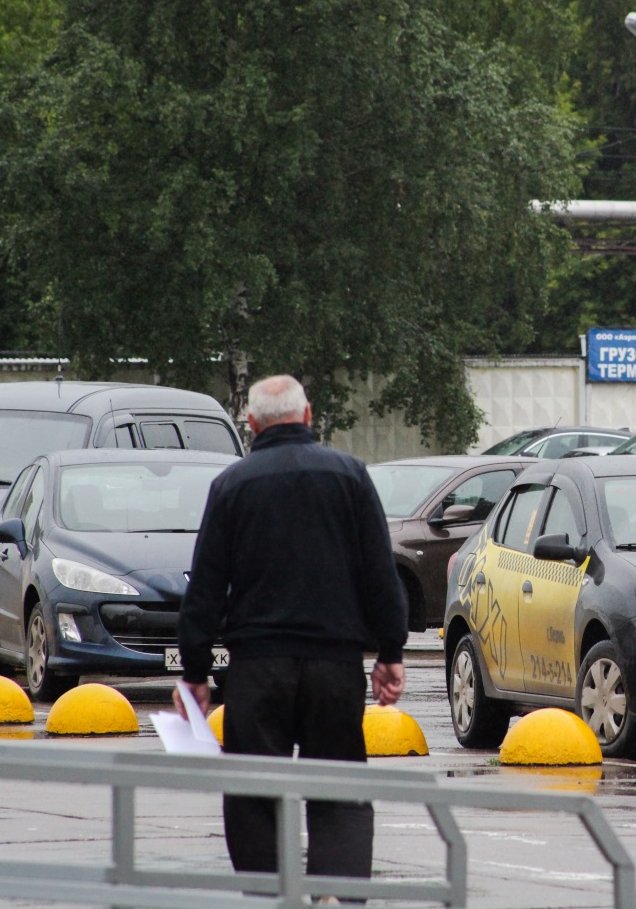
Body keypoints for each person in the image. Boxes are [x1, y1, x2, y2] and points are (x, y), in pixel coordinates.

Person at [175, 374, 408, 891]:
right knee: (339, 790)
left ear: (252, 424)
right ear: (308, 416)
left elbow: (207, 585)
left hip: (258, 669)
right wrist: (390, 652)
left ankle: (268, 897)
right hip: (334, 667)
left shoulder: (232, 485)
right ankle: (336, 898)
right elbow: (380, 572)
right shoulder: (350, 476)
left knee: (255, 795)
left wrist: (195, 671)